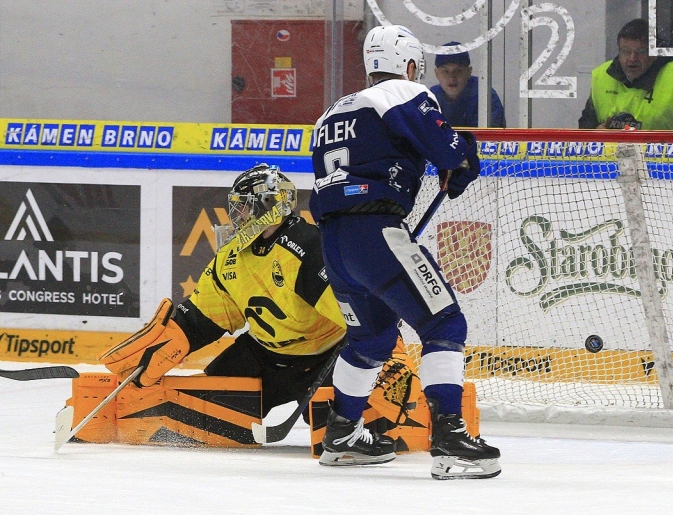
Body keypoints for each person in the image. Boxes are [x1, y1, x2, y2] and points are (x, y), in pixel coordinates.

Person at [310, 24, 501, 479]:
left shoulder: (331, 113)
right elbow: (446, 147)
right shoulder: (403, 93)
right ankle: (451, 439)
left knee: (371, 340)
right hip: (375, 232)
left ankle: (341, 435)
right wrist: (464, 156)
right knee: (444, 322)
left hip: (334, 242)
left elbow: (373, 155)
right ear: (412, 66)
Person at [98, 164, 413, 423]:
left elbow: (363, 313)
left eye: (244, 207)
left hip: (324, 358)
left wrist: (389, 353)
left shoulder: (308, 246)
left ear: (269, 206)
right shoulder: (231, 256)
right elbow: (201, 319)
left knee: (330, 423)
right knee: (205, 411)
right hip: (264, 356)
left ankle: (409, 413)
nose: (237, 216)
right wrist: (171, 337)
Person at [578, 18, 673, 130]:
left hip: (668, 161)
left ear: (654, 54)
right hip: (610, 159)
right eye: (625, 51)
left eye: (641, 51)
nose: (632, 58)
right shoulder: (602, 76)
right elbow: (584, 127)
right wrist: (596, 133)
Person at [430, 41, 506, 128]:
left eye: (458, 71)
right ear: (437, 73)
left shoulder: (485, 97)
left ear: (469, 72)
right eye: (445, 71)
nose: (452, 78)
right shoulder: (431, 97)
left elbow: (489, 138)